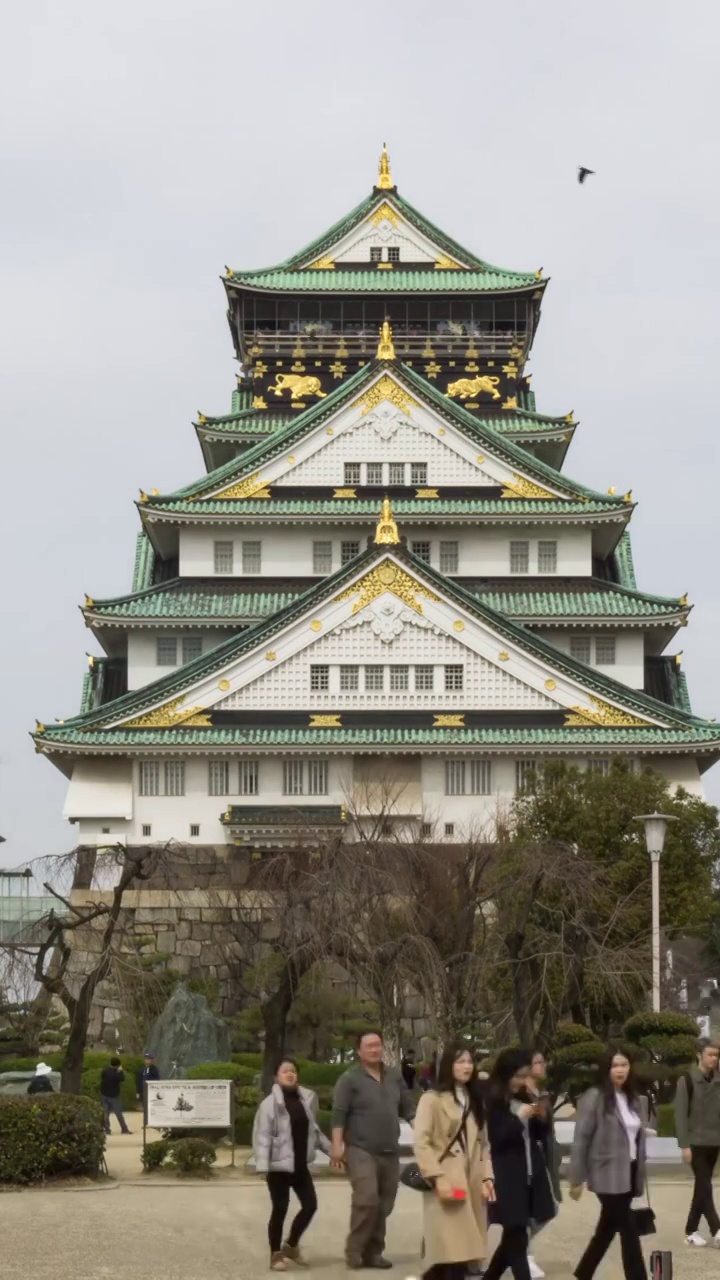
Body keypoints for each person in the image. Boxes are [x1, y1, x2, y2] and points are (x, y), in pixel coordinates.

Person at [332, 1030, 416, 1270]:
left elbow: (408, 1108)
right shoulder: (349, 1079)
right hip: (360, 1148)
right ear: (359, 1051)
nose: (374, 1050)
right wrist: (337, 1145)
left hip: (390, 1149)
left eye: (377, 1045)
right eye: (368, 1046)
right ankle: (355, 1250)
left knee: (384, 1204)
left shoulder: (394, 1076)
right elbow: (339, 1114)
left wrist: (421, 1130)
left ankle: (374, 1252)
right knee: (367, 1198)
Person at [414, 1045, 495, 1280]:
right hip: (447, 1180)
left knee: (461, 1249)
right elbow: (421, 1142)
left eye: (470, 1061)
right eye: (460, 1061)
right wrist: (437, 1177)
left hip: (472, 1180)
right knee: (449, 1248)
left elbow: (484, 1143)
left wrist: (488, 1176)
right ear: (448, 1066)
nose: (467, 1066)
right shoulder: (432, 1099)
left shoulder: (475, 1099)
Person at [569, 1048, 647, 1280]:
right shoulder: (595, 1097)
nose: (620, 1070)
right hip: (605, 1173)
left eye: (624, 1065)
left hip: (629, 1171)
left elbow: (633, 1134)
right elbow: (581, 1138)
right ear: (607, 1069)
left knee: (606, 1229)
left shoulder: (633, 1098)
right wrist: (576, 1178)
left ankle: (583, 1273)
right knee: (628, 1229)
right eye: (615, 1066)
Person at [253, 1057, 331, 1272]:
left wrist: (333, 1151)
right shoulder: (269, 1104)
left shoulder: (305, 1099)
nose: (290, 1074)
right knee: (280, 1209)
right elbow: (262, 1136)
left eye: (293, 1071)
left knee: (310, 1205)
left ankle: (291, 1245)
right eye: (285, 1071)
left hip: (299, 1165)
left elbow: (314, 1131)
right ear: (277, 1077)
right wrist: (262, 1165)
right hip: (278, 1167)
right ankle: (275, 1254)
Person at [484, 1048, 556, 1280]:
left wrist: (542, 1116)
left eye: (526, 1075)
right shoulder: (492, 1099)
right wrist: (519, 1118)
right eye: (519, 1076)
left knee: (514, 1237)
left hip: (528, 1172)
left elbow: (536, 1135)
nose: (522, 1081)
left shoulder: (524, 1096)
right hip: (505, 1174)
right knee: (517, 1236)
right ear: (506, 1073)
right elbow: (495, 1138)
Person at [674, 1037, 720, 1246]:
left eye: (716, 1055)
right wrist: (684, 1145)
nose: (714, 1059)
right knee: (705, 1186)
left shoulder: (719, 1079)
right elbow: (680, 1114)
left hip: (714, 1142)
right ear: (699, 1055)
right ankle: (717, 1228)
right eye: (710, 1054)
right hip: (695, 1143)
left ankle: (691, 1230)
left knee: (702, 1187)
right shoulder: (687, 1079)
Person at [525, 1050, 562, 1280]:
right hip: (525, 1156)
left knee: (549, 1207)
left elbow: (546, 1129)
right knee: (532, 1209)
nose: (542, 1065)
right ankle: (525, 1254)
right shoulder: (521, 1094)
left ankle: (521, 1250)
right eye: (536, 1062)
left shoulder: (542, 1094)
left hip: (543, 1155)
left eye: (542, 1061)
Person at [100, 1056, 131, 1134]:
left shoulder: (105, 1071)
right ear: (118, 1065)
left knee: (105, 1113)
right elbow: (122, 1078)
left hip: (104, 1094)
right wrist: (120, 1071)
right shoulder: (116, 1073)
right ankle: (124, 1129)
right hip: (114, 1096)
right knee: (118, 1114)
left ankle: (107, 1129)